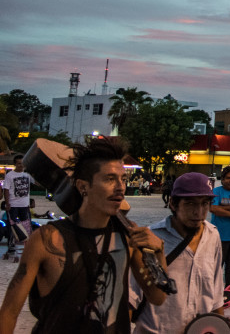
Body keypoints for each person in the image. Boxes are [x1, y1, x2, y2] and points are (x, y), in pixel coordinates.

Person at [0, 138, 168, 334]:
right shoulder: (47, 239)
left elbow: (158, 297)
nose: (120, 187)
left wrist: (159, 253)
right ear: (82, 187)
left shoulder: (128, 236)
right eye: (109, 179)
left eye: (122, 179)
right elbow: (9, 312)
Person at [132, 171, 224, 334]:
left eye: (204, 203)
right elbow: (131, 299)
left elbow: (216, 294)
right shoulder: (151, 239)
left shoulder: (213, 236)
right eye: (190, 204)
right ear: (173, 204)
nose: (199, 212)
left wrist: (221, 326)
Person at [3, 155, 32, 258]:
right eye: (19, 163)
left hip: (24, 206)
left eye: (22, 163)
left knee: (26, 227)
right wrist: (7, 203)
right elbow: (6, 189)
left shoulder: (27, 175)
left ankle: (27, 248)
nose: (21, 165)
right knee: (12, 227)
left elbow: (36, 182)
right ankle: (11, 248)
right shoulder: (10, 175)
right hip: (13, 205)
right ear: (15, 164)